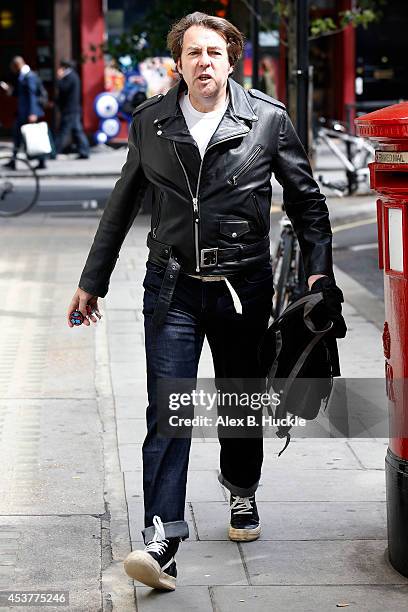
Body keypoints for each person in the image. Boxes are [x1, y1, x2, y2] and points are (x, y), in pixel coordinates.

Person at [67, 12, 346, 592]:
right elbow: (121, 206)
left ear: (230, 58)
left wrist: (318, 276)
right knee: (166, 410)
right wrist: (93, 280)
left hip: (241, 289)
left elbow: (308, 204)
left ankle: (241, 491)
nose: (203, 63)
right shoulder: (151, 122)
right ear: (179, 62)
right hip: (169, 288)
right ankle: (163, 538)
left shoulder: (265, 120)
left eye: (213, 53)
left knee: (238, 404)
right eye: (193, 53)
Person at [0, 56, 47, 170]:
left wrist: (32, 113)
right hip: (24, 112)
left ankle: (40, 161)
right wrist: (10, 91)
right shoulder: (24, 76)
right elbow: (22, 94)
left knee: (31, 136)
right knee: (19, 137)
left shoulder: (29, 76)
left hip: (28, 112)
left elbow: (32, 95)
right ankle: (15, 160)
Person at [55, 59, 89, 159]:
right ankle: (84, 151)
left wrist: (59, 79)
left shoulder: (69, 77)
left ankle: (55, 151)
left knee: (63, 131)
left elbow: (63, 89)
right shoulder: (73, 76)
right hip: (73, 109)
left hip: (70, 110)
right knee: (77, 131)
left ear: (64, 67)